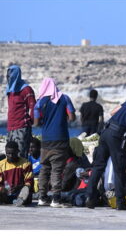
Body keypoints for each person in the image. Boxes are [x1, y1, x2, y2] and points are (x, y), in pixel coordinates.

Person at [33, 78, 76, 208]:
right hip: (61, 139)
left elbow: (35, 123)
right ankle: (56, 199)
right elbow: (72, 117)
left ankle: (42, 197)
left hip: (46, 139)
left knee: (44, 168)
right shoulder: (65, 98)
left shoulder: (40, 102)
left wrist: (44, 121)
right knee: (57, 169)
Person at [5, 65, 36, 159]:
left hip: (22, 126)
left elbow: (33, 106)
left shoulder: (26, 89)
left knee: (21, 154)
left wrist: (30, 121)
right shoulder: (10, 90)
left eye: (10, 75)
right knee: (11, 155)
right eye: (7, 76)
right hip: (11, 126)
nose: (8, 77)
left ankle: (23, 173)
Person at [0, 141, 33, 207]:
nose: (11, 156)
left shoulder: (26, 164)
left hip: (19, 193)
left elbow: (29, 182)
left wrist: (19, 187)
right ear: (5, 152)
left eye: (13, 153)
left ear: (18, 151)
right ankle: (11, 200)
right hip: (6, 194)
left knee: (26, 191)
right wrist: (3, 189)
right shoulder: (1, 164)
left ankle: (19, 201)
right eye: (8, 154)